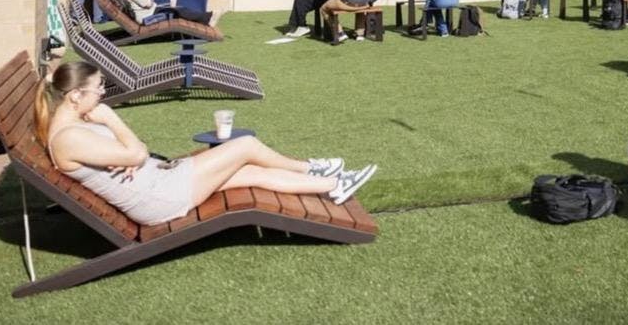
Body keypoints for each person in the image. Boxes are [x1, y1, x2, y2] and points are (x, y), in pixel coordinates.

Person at [36, 61, 377, 225]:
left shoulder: (75, 125)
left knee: (248, 172)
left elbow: (131, 155)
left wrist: (128, 156)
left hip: (158, 178)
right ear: (75, 95)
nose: (102, 93)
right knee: (244, 146)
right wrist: (113, 121)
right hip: (158, 197)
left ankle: (332, 185)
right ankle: (314, 168)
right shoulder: (69, 137)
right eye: (98, 88)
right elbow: (137, 151)